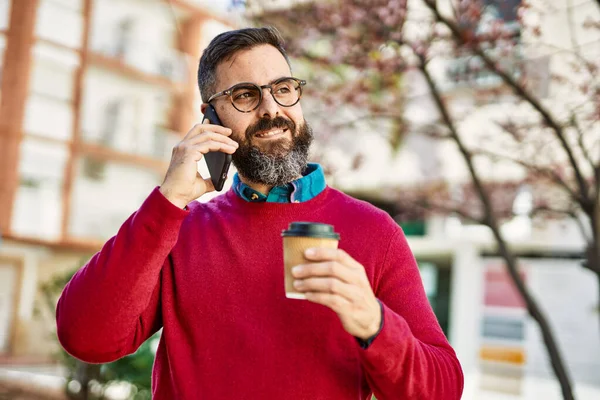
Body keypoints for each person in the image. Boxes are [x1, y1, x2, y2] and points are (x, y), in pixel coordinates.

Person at [56, 26, 464, 399]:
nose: (271, 108)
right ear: (210, 116)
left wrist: (374, 323)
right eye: (246, 95)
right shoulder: (176, 229)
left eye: (283, 88)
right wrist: (167, 201)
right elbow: (86, 337)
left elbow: (443, 388)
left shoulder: (375, 231)